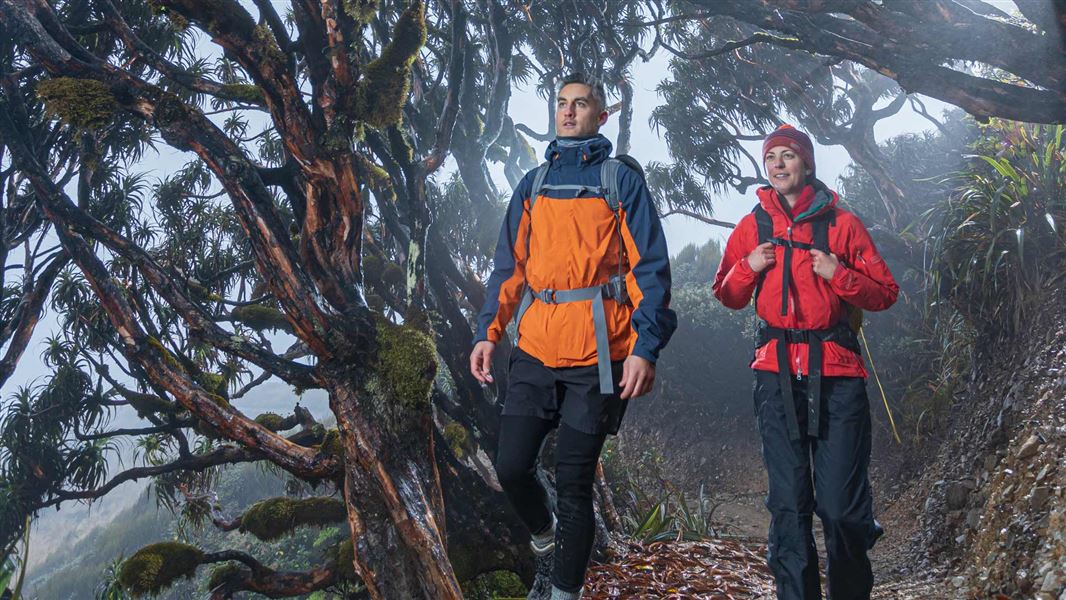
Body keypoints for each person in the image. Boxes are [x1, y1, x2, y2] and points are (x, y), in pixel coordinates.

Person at [470, 73, 676, 600]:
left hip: (600, 357)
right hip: (536, 350)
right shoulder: (533, 184)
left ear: (600, 116)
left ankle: (566, 593)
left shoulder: (619, 181)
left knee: (575, 485)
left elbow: (649, 272)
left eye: (580, 104)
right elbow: (507, 268)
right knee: (512, 466)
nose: (567, 112)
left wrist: (645, 349)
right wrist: (488, 333)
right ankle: (544, 531)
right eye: (561, 104)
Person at [713, 124, 899, 600]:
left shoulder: (842, 224)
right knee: (789, 506)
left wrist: (839, 274)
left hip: (837, 374)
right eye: (771, 156)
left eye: (787, 156)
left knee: (840, 507)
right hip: (774, 376)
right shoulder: (753, 226)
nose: (778, 164)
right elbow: (726, 294)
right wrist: (748, 266)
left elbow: (885, 293)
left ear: (806, 164)